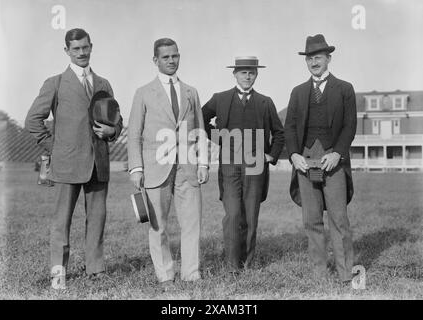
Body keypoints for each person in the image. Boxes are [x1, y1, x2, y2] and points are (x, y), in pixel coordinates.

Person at [25, 28, 123, 289]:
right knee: (61, 221)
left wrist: (113, 130)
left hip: (98, 164)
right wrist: (55, 147)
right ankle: (59, 273)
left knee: (98, 218)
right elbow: (33, 121)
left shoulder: (103, 84)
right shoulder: (55, 83)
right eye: (76, 48)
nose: (81, 53)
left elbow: (117, 119)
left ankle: (96, 270)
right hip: (66, 164)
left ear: (92, 47)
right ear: (66, 51)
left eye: (85, 47)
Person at [127, 38, 208, 288]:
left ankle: (191, 274)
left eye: (175, 56)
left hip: (187, 167)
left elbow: (200, 130)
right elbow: (134, 133)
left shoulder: (191, 92)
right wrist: (136, 167)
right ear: (155, 60)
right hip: (154, 167)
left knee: (192, 223)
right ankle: (165, 276)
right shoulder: (143, 93)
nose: (171, 60)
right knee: (158, 225)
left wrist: (203, 164)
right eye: (165, 57)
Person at [284, 34, 357, 283]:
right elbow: (290, 127)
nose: (314, 62)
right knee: (312, 220)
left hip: (333, 162)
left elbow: (350, 126)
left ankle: (347, 273)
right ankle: (319, 273)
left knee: (339, 219)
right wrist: (294, 155)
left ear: (328, 58)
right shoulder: (298, 92)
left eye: (318, 57)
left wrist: (337, 153)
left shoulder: (345, 89)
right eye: (309, 58)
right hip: (306, 162)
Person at [202, 56, 284, 272]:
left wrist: (271, 155)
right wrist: (220, 138)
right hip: (229, 164)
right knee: (232, 215)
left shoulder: (265, 102)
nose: (247, 76)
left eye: (252, 72)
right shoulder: (220, 99)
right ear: (235, 74)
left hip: (256, 164)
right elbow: (201, 118)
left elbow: (279, 133)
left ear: (256, 75)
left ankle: (247, 264)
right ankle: (231, 266)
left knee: (250, 215)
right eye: (243, 72)